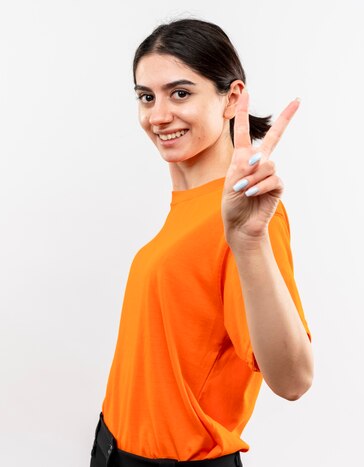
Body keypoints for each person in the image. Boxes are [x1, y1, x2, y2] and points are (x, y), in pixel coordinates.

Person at [90, 17, 314, 467]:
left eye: (181, 93)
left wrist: (249, 242)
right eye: (146, 97)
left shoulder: (248, 215)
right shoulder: (188, 205)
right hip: (113, 446)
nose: (158, 115)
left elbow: (293, 379)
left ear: (231, 98)